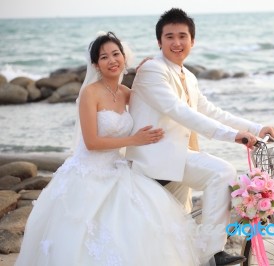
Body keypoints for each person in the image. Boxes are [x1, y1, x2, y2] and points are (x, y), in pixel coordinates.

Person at [15, 32, 205, 266]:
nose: (112, 60)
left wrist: (149, 67)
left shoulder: (126, 93)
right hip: (88, 171)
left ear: (124, 58)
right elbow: (92, 142)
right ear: (96, 64)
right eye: (104, 57)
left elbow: (156, 103)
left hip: (118, 168)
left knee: (142, 222)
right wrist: (134, 140)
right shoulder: (90, 93)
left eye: (116, 54)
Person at [126, 8, 274, 265]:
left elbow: (210, 110)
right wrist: (232, 136)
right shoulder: (152, 70)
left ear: (192, 42)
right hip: (156, 158)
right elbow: (180, 111)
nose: (177, 43)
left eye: (182, 36)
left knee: (174, 236)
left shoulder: (189, 76)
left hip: (177, 156)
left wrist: (255, 127)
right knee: (221, 172)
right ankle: (213, 254)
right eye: (169, 37)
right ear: (159, 42)